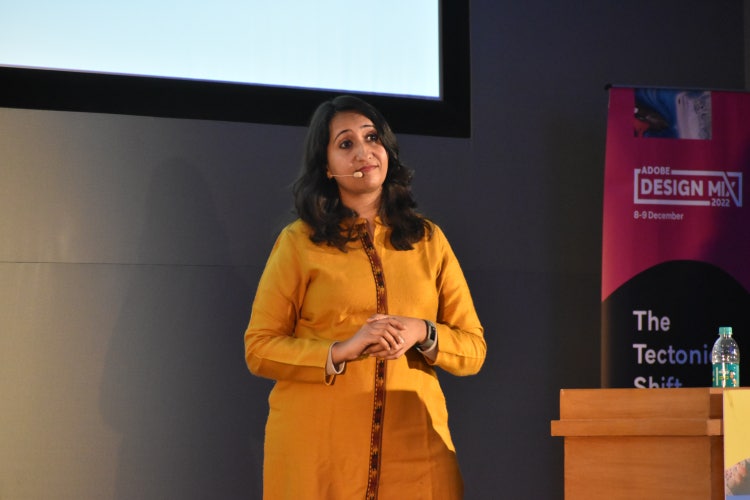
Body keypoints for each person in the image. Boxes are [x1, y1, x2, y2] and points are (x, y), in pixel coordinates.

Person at [244, 95, 486, 499]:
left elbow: (473, 348)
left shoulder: (428, 240)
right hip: (319, 452)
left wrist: (423, 332)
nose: (363, 152)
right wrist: (341, 350)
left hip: (414, 450)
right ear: (326, 166)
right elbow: (259, 347)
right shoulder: (299, 242)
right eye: (345, 144)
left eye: (372, 137)